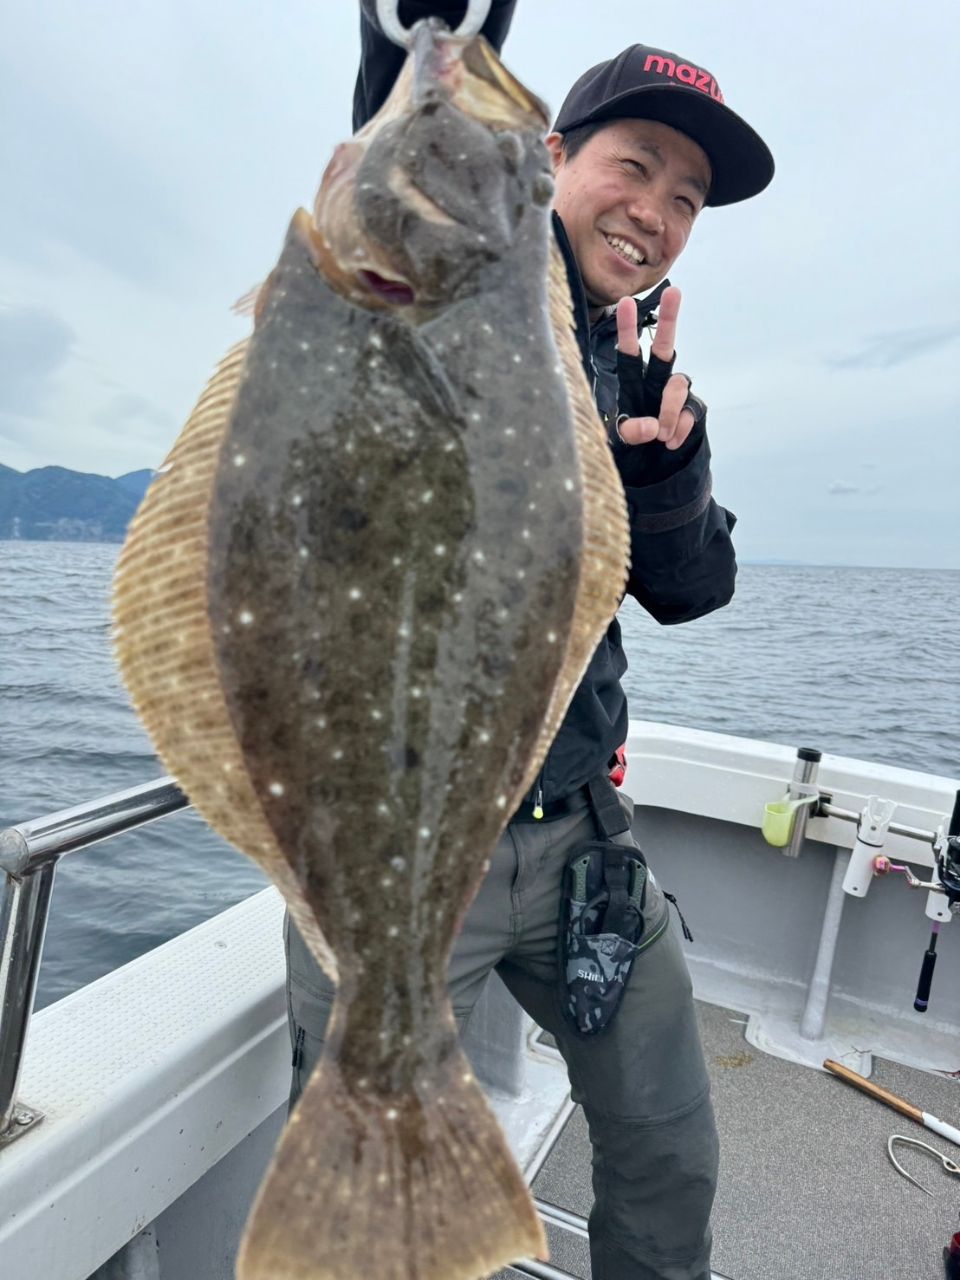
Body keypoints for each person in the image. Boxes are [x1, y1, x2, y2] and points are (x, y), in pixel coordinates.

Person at [286, 5, 774, 1279]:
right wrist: (430, 40)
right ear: (553, 157)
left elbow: (693, 587)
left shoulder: (644, 372)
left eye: (688, 195)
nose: (656, 211)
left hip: (578, 850)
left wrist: (665, 465)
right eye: (635, 165)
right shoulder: (463, 275)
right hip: (403, 846)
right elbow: (405, 168)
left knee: (671, 1146)